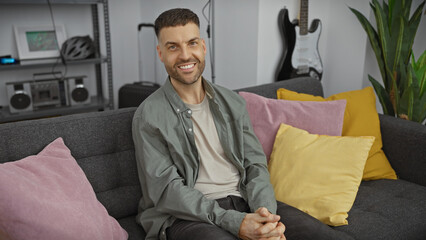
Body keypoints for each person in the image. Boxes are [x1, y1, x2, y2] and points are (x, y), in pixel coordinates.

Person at [132, 8, 338, 240]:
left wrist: (265, 216)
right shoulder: (149, 115)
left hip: (246, 200)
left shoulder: (232, 101)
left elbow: (255, 164)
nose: (185, 55)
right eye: (173, 47)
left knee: (322, 234)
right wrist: (233, 221)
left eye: (192, 43)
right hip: (185, 216)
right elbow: (168, 191)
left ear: (203, 47)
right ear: (160, 53)